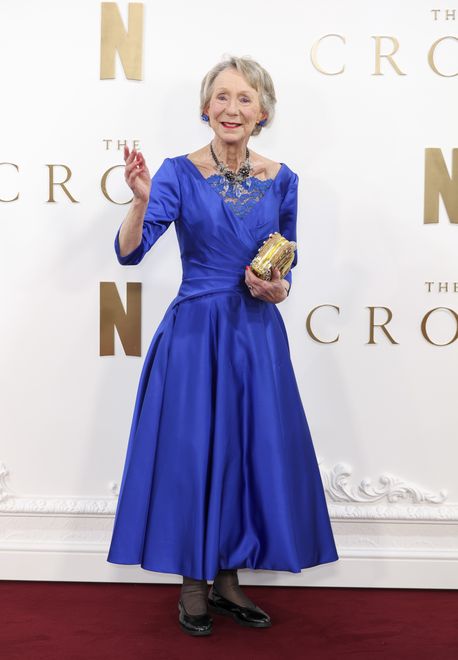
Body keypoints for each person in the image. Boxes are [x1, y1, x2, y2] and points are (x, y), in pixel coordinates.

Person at [107, 55, 339, 636]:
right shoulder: (176, 173)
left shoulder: (282, 178)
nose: (232, 108)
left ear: (263, 113)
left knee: (245, 449)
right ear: (205, 107)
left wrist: (277, 287)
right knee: (193, 453)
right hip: (194, 334)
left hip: (256, 335)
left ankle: (229, 579)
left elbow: (288, 263)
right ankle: (193, 584)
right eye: (223, 97)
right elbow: (130, 254)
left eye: (245, 99)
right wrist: (139, 199)